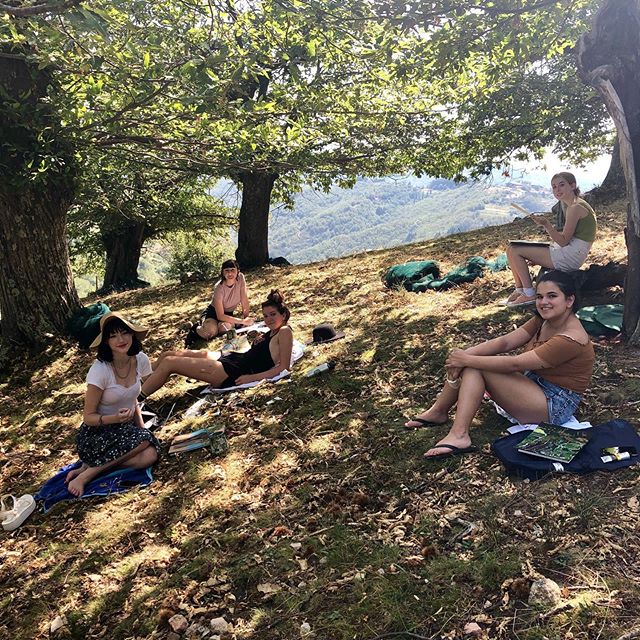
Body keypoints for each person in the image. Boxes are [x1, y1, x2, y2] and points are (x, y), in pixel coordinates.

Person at [405, 271, 594, 459]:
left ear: (569, 301)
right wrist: (463, 356)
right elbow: (504, 342)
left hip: (555, 404)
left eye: (552, 296)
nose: (544, 302)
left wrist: (466, 360)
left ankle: (459, 435)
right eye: (539, 296)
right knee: (472, 363)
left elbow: (515, 363)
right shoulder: (543, 320)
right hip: (535, 385)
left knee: (476, 366)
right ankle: (439, 412)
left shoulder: (570, 338)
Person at [66, 312, 160, 497]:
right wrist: (114, 418)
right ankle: (87, 475)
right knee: (145, 443)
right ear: (106, 342)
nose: (120, 339)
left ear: (132, 334)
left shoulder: (140, 359)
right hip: (97, 433)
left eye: (124, 333)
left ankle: (91, 466)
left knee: (150, 455)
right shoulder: (100, 370)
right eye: (113, 336)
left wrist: (141, 427)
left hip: (125, 429)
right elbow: (88, 417)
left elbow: (132, 398)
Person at [141, 290, 293, 396]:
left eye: (273, 315)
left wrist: (251, 378)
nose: (269, 319)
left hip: (232, 371)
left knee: (169, 362)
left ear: (284, 314)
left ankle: (134, 400)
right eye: (266, 316)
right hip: (231, 359)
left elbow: (283, 368)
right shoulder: (272, 331)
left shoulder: (285, 331)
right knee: (167, 354)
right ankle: (134, 382)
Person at [505, 172, 597, 308]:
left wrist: (546, 224)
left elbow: (563, 241)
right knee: (511, 248)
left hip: (570, 256)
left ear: (573, 185)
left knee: (516, 251)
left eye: (561, 185)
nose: (557, 190)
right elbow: (566, 237)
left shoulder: (575, 207)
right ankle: (520, 290)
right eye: (554, 187)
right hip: (569, 250)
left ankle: (529, 294)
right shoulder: (569, 204)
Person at [185, 259, 255, 347]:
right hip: (213, 313)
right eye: (226, 271)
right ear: (222, 273)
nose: (230, 274)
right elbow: (220, 315)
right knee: (210, 333)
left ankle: (218, 326)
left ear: (238, 271)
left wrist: (246, 318)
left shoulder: (241, 278)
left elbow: (244, 300)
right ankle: (195, 328)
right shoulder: (219, 287)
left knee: (226, 329)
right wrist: (243, 321)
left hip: (228, 314)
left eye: (232, 270)